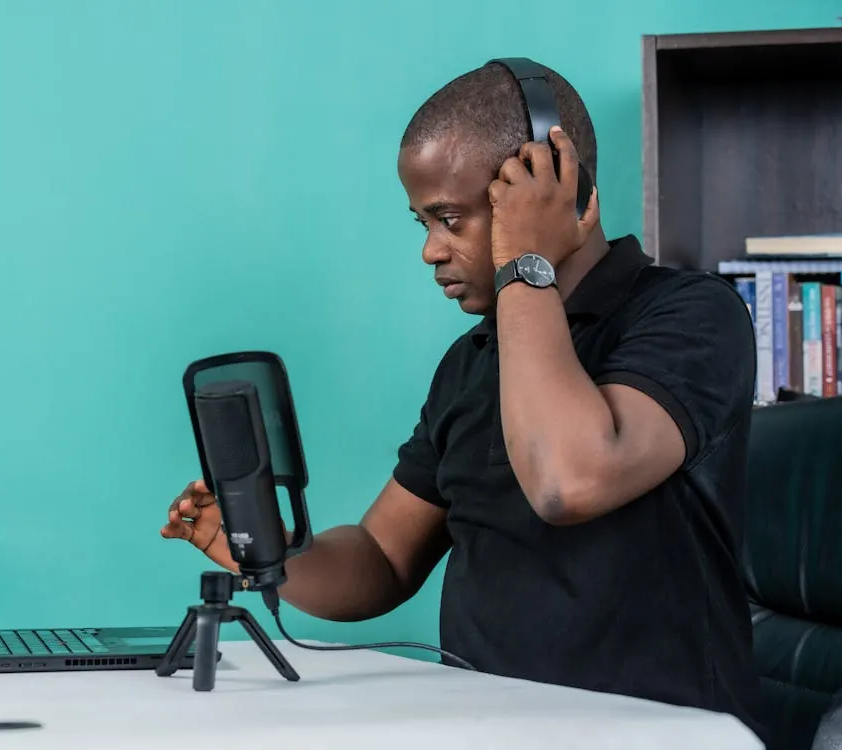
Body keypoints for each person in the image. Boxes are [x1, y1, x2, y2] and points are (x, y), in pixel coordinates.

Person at [160, 61, 764, 741]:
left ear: (564, 191)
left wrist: (522, 265)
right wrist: (268, 552)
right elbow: (383, 558)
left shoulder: (691, 315)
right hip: (491, 726)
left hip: (657, 734)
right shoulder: (475, 360)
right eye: (422, 221)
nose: (429, 251)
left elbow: (568, 479)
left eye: (451, 219)